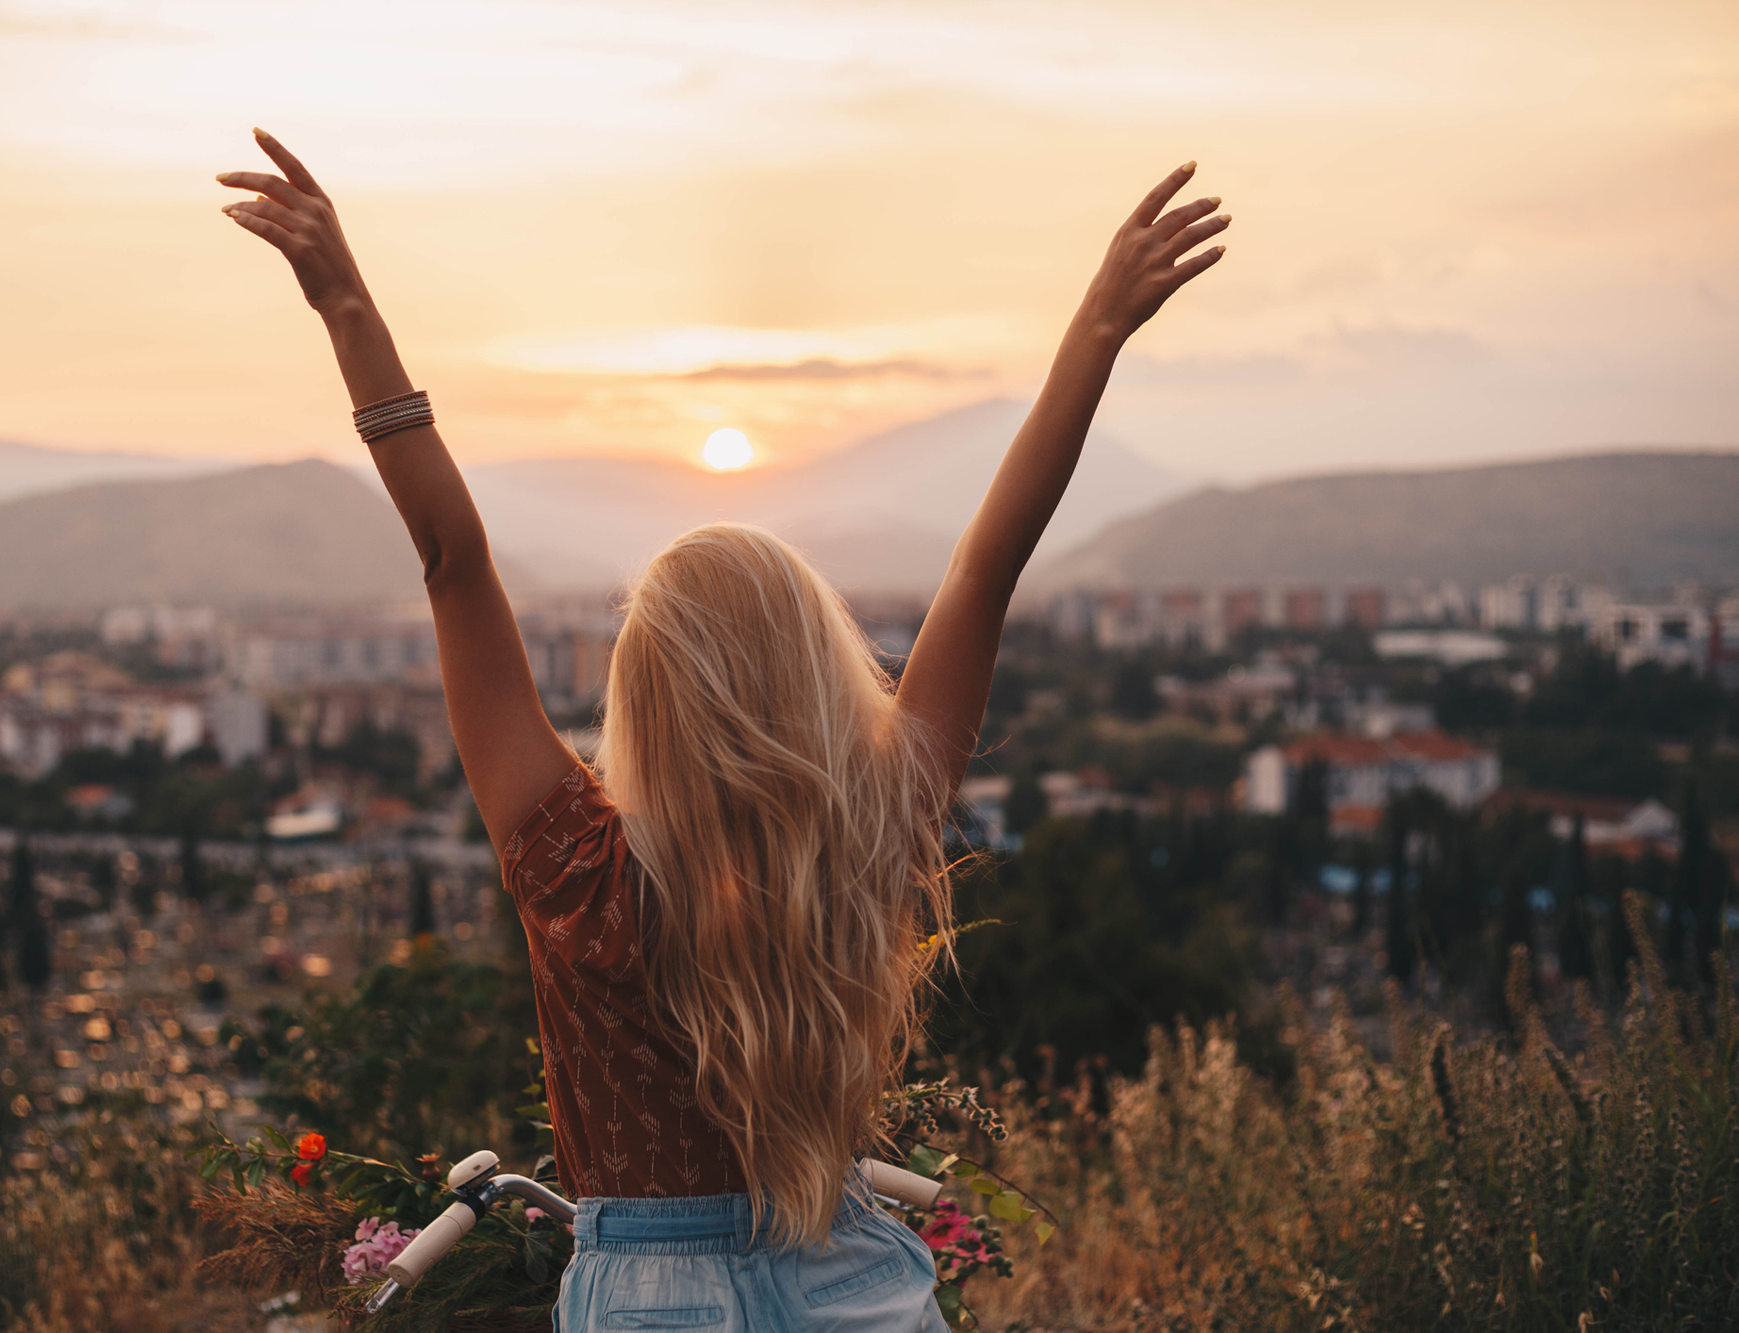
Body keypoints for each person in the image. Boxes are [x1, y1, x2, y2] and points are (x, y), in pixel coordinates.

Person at [217, 130, 1228, 1331]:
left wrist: (344, 300)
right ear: (817, 671)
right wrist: (1095, 331)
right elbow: (987, 566)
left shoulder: (575, 871)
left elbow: (451, 563)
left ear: (641, 691)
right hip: (857, 1286)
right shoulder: (867, 836)